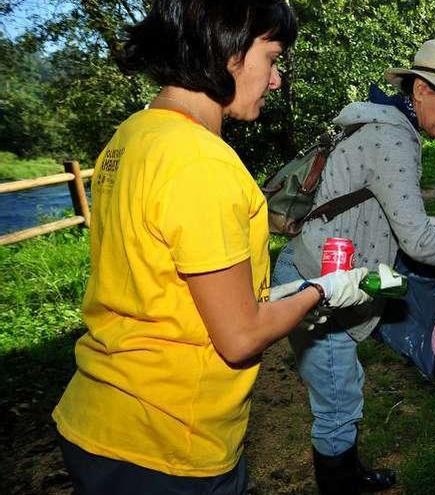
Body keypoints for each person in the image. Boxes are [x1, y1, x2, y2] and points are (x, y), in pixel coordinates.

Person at [51, 2, 373, 493]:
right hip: (167, 443)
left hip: (101, 418)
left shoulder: (134, 135)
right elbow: (240, 335)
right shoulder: (201, 161)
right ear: (229, 53)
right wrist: (323, 290)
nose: (277, 79)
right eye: (272, 57)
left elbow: (172, 287)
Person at [272, 38, 435, 494]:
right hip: (319, 279)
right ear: (421, 90)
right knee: (337, 399)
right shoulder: (393, 137)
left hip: (323, 269)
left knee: (344, 381)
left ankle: (349, 473)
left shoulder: (379, 123)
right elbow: (418, 243)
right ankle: (340, 485)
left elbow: (384, 207)